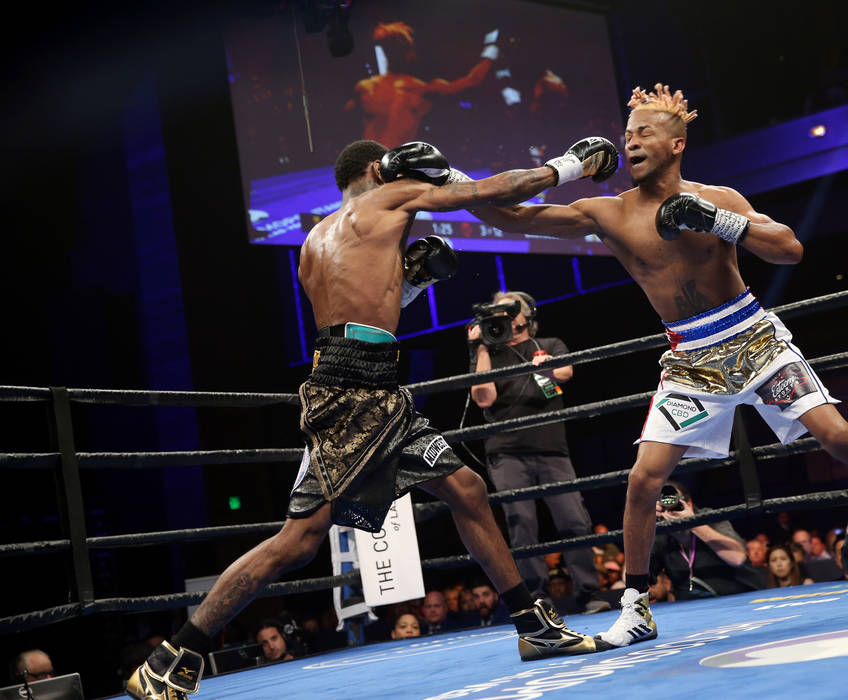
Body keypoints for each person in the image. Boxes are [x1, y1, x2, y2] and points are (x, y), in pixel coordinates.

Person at [467, 82, 848, 648]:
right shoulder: (606, 211)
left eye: (643, 133)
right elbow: (510, 217)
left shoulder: (719, 197)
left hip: (754, 338)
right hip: (690, 359)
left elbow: (789, 248)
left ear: (677, 144)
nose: (630, 142)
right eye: (626, 134)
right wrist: (563, 168)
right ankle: (636, 605)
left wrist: (718, 220)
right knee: (643, 480)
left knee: (838, 435)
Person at [126, 136, 622, 699]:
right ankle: (175, 653)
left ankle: (533, 627)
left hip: (358, 381)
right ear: (375, 169)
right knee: (299, 540)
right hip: (357, 390)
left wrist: (410, 282)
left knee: (467, 489)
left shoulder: (315, 239)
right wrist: (572, 165)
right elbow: (492, 190)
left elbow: (355, 313)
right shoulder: (392, 196)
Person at [469, 290, 609, 614]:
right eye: (497, 310)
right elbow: (484, 398)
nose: (503, 314)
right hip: (507, 451)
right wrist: (479, 347)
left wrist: (545, 367)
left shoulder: (549, 344)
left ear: (526, 314)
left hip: (551, 449)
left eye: (509, 308)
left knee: (574, 519)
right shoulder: (487, 354)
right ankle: (537, 597)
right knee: (522, 525)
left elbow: (566, 372)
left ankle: (588, 593)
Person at [347, 22, 497, 147]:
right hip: (391, 165)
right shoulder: (422, 89)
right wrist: (491, 49)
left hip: (375, 164)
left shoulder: (365, 88)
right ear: (409, 53)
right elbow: (472, 80)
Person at [649, 481, 765, 599]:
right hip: (692, 609)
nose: (669, 505)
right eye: (664, 501)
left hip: (741, 599)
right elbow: (634, 577)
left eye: (674, 498)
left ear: (688, 503)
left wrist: (693, 523)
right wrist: (645, 525)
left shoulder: (710, 518)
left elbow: (738, 558)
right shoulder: (660, 530)